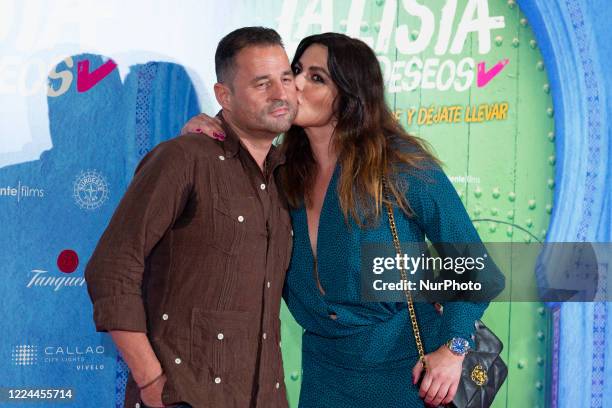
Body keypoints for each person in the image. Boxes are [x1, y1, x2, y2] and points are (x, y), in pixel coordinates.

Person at [182, 32, 505, 407]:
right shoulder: (279, 170)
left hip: (407, 373)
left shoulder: (399, 165)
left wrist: (454, 350)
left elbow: (476, 268)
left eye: (316, 78)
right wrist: (210, 136)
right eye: (295, 71)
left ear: (350, 96)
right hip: (324, 374)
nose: (295, 85)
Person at [85, 27, 297, 408]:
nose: (281, 94)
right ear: (224, 96)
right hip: (185, 396)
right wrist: (152, 383)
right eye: (262, 83)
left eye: (286, 78)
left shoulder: (288, 175)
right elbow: (112, 268)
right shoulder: (184, 159)